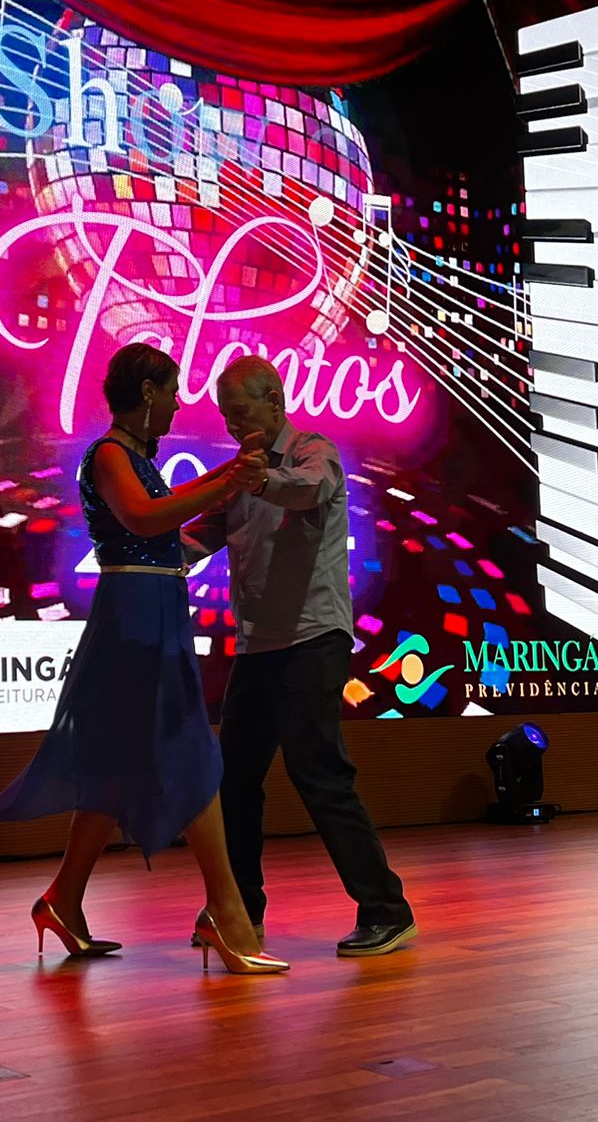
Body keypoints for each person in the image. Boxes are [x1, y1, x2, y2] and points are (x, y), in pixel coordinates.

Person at [0, 342, 288, 974]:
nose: (177, 404)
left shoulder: (136, 457)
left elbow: (168, 514)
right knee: (191, 750)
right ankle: (227, 913)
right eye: (171, 392)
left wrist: (229, 478)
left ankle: (63, 899)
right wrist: (228, 480)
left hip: (153, 607)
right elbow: (145, 520)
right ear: (146, 393)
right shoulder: (110, 454)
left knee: (115, 765)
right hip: (136, 614)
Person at [183, 356, 417, 957]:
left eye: (240, 412)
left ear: (274, 400)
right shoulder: (241, 473)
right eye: (226, 416)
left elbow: (306, 490)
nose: (233, 426)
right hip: (258, 646)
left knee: (319, 773)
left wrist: (257, 481)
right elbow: (198, 535)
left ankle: (386, 910)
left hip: (313, 639)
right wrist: (138, 548)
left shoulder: (315, 452)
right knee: (234, 778)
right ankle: (240, 912)